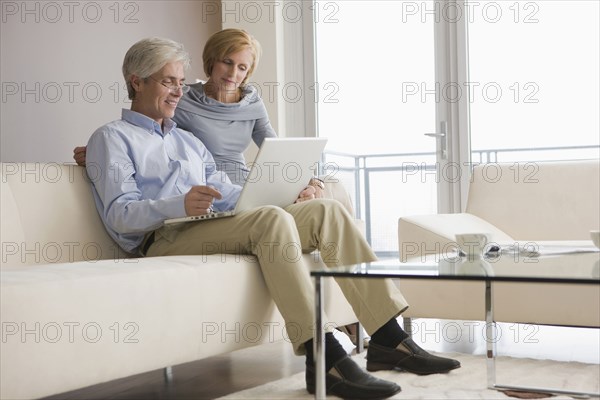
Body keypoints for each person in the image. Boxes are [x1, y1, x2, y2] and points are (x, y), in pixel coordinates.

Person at [86, 37, 460, 400]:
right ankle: (322, 356)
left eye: (181, 83)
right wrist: (176, 205)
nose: (177, 91)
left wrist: (285, 193)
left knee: (325, 211)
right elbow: (121, 215)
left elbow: (227, 193)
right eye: (168, 81)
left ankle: (388, 337)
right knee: (269, 221)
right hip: (161, 238)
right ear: (137, 81)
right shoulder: (112, 138)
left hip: (208, 225)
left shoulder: (188, 141)